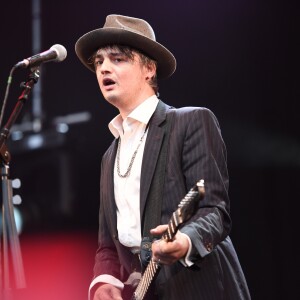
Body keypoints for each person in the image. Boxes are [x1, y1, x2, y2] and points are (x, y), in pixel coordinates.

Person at [75, 14, 251, 300]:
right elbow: (107, 244)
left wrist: (184, 240)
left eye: (118, 59)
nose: (104, 67)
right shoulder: (110, 156)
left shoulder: (190, 121)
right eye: (99, 62)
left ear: (149, 69)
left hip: (197, 287)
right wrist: (103, 281)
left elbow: (214, 210)